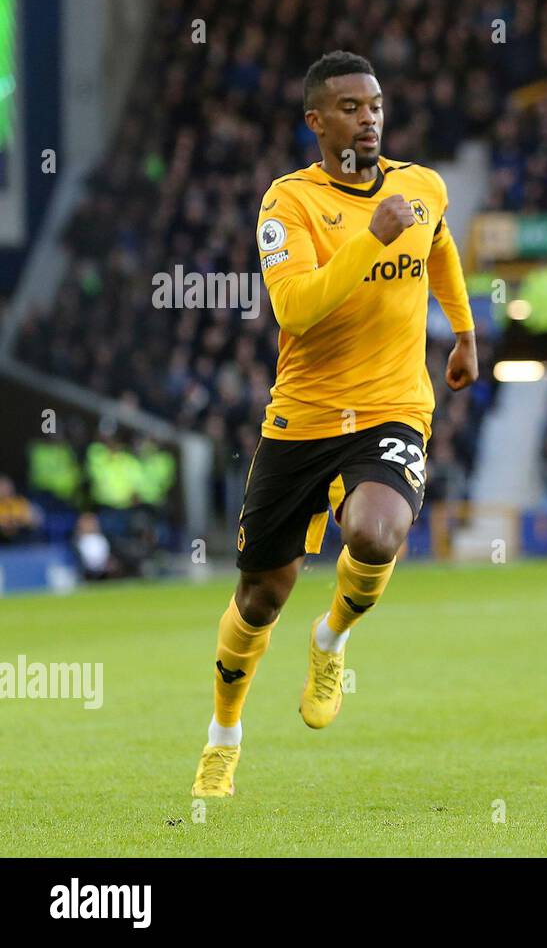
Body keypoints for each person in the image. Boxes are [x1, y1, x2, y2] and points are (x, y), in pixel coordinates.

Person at [192, 51, 479, 797]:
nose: (369, 117)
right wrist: (370, 239)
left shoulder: (423, 187)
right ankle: (225, 734)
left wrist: (466, 330)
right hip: (304, 417)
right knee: (261, 595)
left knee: (378, 530)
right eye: (351, 107)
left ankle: (333, 639)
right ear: (316, 121)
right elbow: (297, 307)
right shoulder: (287, 203)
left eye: (376, 104)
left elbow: (440, 246)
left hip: (392, 406)